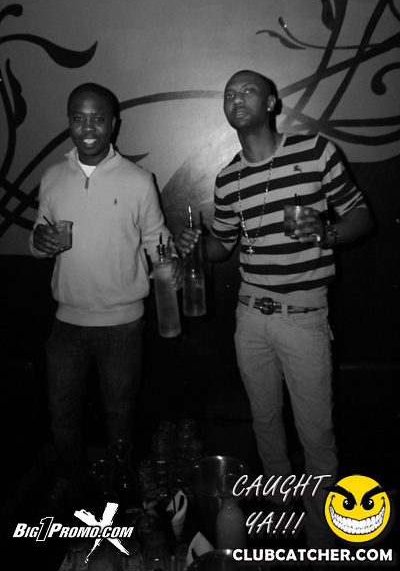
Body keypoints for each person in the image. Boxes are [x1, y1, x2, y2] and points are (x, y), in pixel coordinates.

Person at [177, 70, 372, 548]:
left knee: (316, 436)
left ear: (271, 103)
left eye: (248, 90)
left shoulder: (316, 151)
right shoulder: (227, 178)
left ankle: (323, 537)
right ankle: (284, 522)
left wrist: (327, 233)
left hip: (303, 317)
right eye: (229, 93)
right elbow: (222, 246)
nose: (236, 98)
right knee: (265, 426)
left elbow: (362, 215)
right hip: (250, 317)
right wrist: (199, 243)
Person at [30, 82, 180, 512]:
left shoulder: (138, 180)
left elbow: (157, 240)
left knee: (120, 412)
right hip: (66, 321)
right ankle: (70, 477)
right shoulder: (52, 177)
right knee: (62, 413)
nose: (88, 127)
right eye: (79, 118)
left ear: (114, 123)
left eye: (98, 118)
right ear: (69, 122)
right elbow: (39, 236)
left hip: (123, 324)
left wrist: (172, 264)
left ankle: (118, 481)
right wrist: (39, 241)